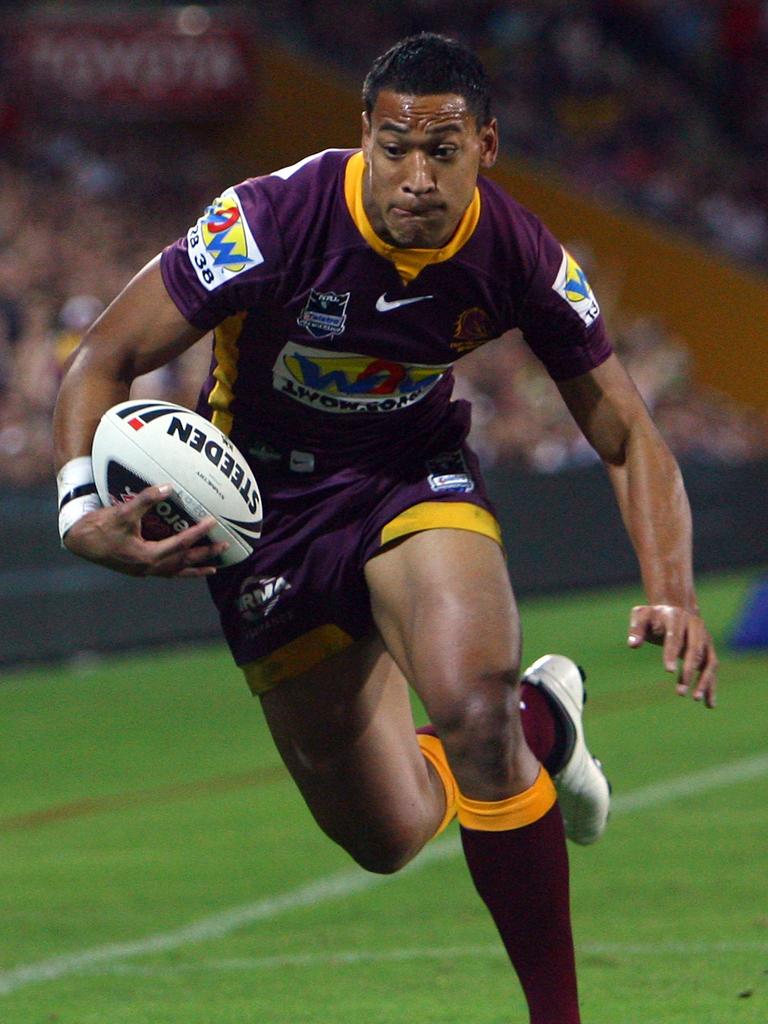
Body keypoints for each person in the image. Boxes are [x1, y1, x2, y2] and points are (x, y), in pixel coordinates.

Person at [53, 33, 718, 1024]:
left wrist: (673, 587)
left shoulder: (518, 252)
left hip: (413, 479)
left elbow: (625, 427)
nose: (415, 176)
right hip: (263, 519)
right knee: (388, 831)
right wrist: (76, 510)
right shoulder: (269, 219)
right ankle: (550, 721)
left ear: (486, 148)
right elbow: (103, 354)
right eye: (394, 147)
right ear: (363, 134)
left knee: (473, 711)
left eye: (441, 151)